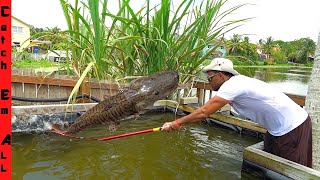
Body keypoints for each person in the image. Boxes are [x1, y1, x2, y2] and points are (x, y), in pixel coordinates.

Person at [162, 58, 312, 168]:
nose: (208, 82)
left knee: (290, 170)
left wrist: (176, 123)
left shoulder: (233, 84)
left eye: (210, 77)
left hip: (293, 126)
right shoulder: (236, 83)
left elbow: (204, 112)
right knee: (269, 167)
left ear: (221, 75)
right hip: (275, 129)